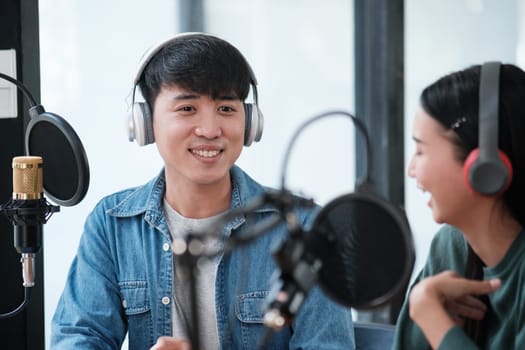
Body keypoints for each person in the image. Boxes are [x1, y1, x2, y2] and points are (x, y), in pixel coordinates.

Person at [49, 32, 355, 350]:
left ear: (251, 123)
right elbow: (76, 339)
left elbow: (327, 345)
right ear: (144, 122)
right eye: (187, 109)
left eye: (225, 109)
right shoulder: (113, 224)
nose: (210, 130)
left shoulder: (303, 226)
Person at [393, 62, 525, 349]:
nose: (411, 170)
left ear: (484, 167)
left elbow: (426, 312)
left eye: (420, 150)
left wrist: (430, 315)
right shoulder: (451, 246)